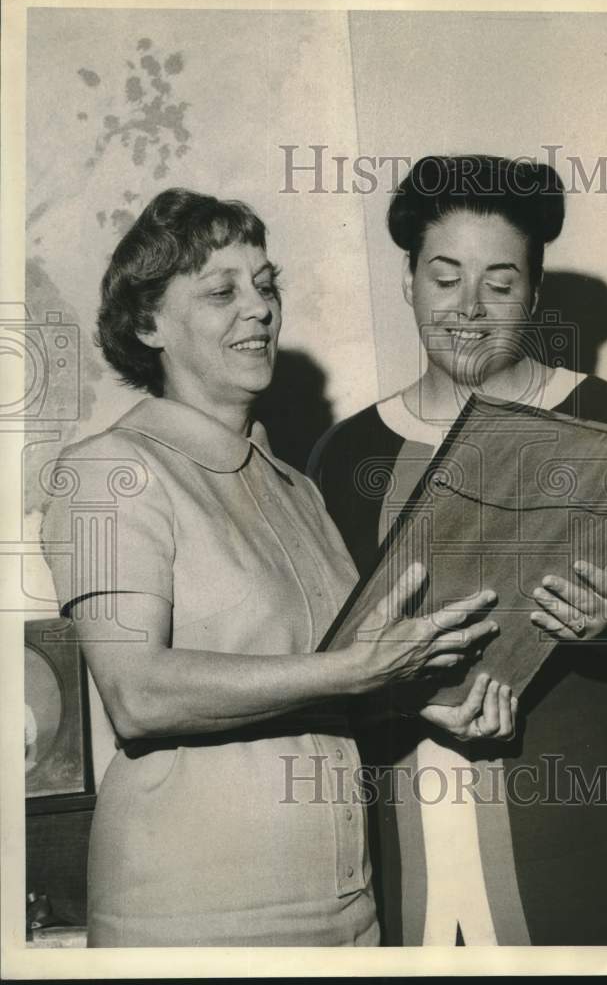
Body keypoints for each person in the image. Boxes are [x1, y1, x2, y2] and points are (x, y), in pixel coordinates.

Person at [39, 187, 515, 947]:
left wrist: (415, 701)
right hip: (194, 922)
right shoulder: (100, 472)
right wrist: (355, 673)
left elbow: (321, 682)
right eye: (221, 291)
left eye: (265, 285)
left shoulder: (295, 487)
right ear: (147, 322)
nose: (258, 308)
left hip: (345, 913)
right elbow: (137, 692)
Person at [308, 155, 607, 946]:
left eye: (501, 284)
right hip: (406, 830)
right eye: (444, 278)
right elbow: (318, 660)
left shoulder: (603, 417)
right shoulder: (349, 453)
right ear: (407, 280)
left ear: (534, 295)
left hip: (590, 838)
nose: (469, 310)